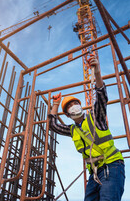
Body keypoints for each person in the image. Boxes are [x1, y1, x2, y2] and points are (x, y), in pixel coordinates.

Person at [48, 54, 125, 201]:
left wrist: (96, 72)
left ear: (81, 106)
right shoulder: (72, 130)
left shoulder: (95, 118)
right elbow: (53, 125)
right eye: (69, 106)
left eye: (75, 103)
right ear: (67, 114)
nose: (73, 106)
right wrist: (56, 105)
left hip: (112, 165)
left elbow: (101, 96)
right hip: (95, 173)